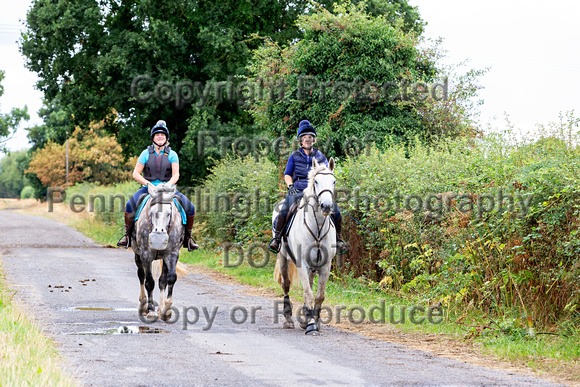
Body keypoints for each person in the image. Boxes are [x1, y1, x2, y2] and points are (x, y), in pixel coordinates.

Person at [117, 120, 199, 251]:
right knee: (129, 205)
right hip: (148, 188)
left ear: (166, 138)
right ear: (153, 138)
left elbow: (176, 175)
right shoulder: (145, 153)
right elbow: (136, 174)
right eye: (157, 135)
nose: (160, 137)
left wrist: (167, 186)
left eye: (162, 135)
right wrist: (149, 184)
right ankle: (127, 236)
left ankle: (188, 239)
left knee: (191, 208)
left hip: (168, 189)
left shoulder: (172, 154)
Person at [268, 120, 347, 255]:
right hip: (298, 189)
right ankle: (277, 239)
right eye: (305, 138)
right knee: (285, 210)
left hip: (316, 191)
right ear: (301, 141)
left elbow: (327, 173)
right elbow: (287, 174)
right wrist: (290, 186)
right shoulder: (294, 156)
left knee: (337, 212)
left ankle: (338, 239)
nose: (307, 140)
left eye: (310, 138)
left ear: (313, 140)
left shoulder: (321, 156)